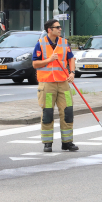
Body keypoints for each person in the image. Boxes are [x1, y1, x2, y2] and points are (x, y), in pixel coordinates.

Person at [32, 19, 77, 153]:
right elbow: (35, 64)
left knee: (67, 112)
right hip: (47, 84)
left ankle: (67, 142)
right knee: (48, 113)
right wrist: (48, 60)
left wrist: (72, 73)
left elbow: (71, 58)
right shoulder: (40, 44)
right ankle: (47, 143)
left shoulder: (64, 43)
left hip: (63, 84)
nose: (60, 29)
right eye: (57, 27)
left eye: (60, 27)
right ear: (49, 30)